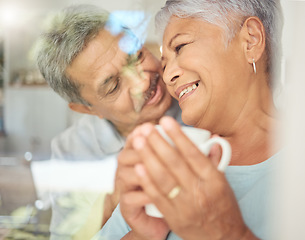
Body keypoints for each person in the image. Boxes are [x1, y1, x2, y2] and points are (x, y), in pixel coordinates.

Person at [95, 0, 284, 239]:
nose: (168, 75)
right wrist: (143, 236)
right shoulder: (170, 162)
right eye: (164, 64)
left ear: (251, 40)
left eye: (180, 47)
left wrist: (227, 233)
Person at [35, 4, 182, 240]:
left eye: (137, 56)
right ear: (87, 109)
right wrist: (112, 203)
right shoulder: (72, 149)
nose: (142, 82)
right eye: (114, 86)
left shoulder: (195, 100)